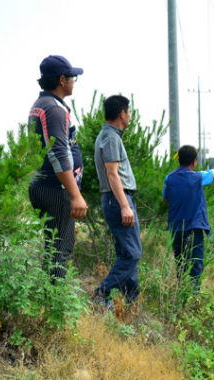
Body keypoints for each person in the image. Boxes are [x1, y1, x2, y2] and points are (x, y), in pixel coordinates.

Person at [28, 55, 87, 280]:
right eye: (73, 77)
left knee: (53, 250)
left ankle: (49, 302)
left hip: (46, 185)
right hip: (56, 189)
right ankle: (56, 309)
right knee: (59, 252)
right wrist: (75, 195)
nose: (74, 81)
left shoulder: (43, 105)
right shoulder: (53, 108)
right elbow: (58, 154)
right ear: (62, 80)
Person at [93, 95, 142, 304]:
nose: (130, 116)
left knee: (126, 252)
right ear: (122, 113)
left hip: (117, 199)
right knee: (132, 254)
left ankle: (131, 303)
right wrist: (124, 206)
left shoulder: (108, 135)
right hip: (118, 199)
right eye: (129, 112)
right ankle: (102, 294)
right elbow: (112, 174)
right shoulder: (111, 137)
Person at [163, 145, 214, 288]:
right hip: (194, 229)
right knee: (195, 266)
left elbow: (165, 199)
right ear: (194, 161)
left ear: (179, 160)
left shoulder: (169, 178)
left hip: (175, 229)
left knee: (180, 264)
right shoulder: (198, 177)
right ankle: (193, 300)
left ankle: (180, 294)